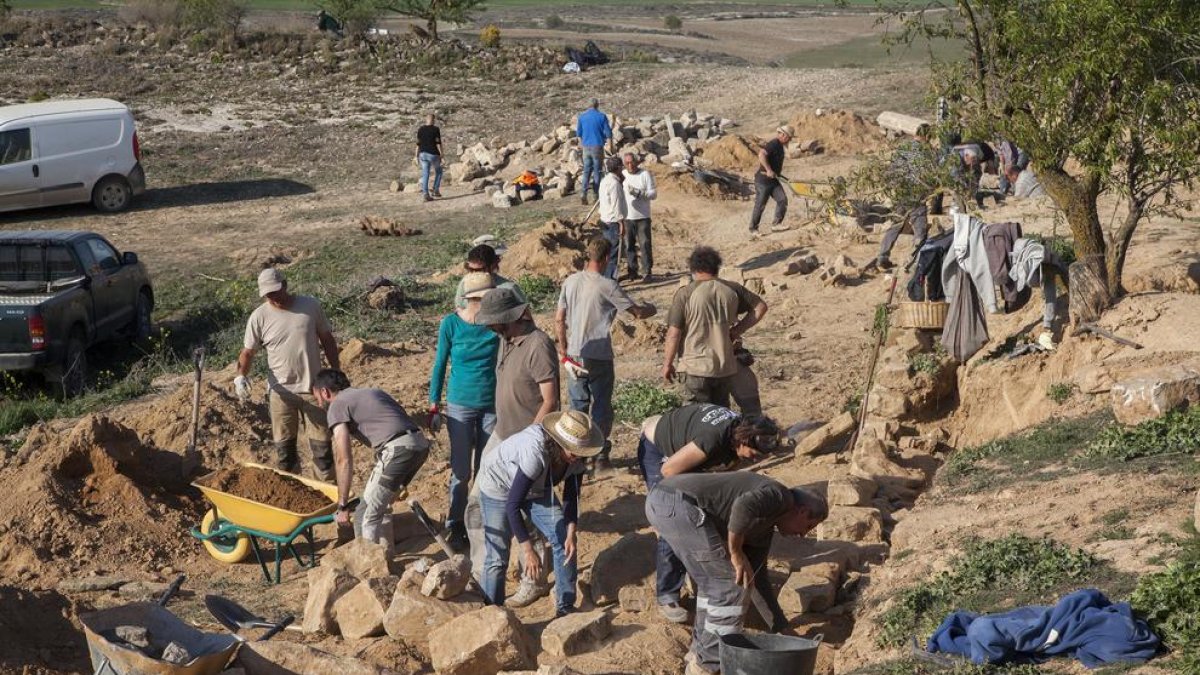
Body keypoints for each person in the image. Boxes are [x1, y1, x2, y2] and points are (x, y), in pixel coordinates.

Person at [645, 473, 827, 674]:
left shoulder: (763, 529)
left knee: (714, 585)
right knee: (731, 586)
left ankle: (698, 655)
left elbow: (756, 580)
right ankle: (707, 668)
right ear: (802, 511)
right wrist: (736, 551)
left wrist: (782, 629)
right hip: (677, 504)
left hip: (665, 502)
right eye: (808, 526)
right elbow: (744, 505)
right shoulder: (780, 497)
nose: (802, 535)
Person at [637, 404, 781, 623]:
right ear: (743, 441)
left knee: (702, 513)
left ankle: (696, 576)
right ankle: (667, 594)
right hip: (659, 449)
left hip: (690, 447)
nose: (755, 458)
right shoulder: (713, 438)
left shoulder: (739, 436)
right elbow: (669, 472)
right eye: (754, 453)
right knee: (674, 517)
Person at [465, 287, 560, 606]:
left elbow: (550, 400)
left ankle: (533, 580)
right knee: (479, 501)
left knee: (529, 508)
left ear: (511, 318)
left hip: (526, 440)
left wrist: (531, 439)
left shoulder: (539, 345)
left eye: (496, 322)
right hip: (502, 434)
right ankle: (486, 570)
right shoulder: (505, 341)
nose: (492, 327)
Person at [476, 410, 602, 618]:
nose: (576, 457)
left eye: (580, 452)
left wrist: (571, 532)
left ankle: (565, 607)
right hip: (498, 485)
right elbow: (513, 505)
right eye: (572, 451)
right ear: (558, 443)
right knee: (497, 558)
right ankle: (493, 616)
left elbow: (571, 498)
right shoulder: (534, 453)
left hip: (536, 486)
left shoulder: (576, 459)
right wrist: (528, 551)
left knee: (564, 539)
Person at [555, 237, 657, 472]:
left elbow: (559, 319)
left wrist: (564, 351)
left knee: (577, 405)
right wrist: (652, 307)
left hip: (574, 354)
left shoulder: (570, 282)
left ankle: (576, 456)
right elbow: (638, 314)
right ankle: (600, 456)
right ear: (606, 258)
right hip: (598, 354)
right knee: (601, 406)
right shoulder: (607, 285)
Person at [312, 369, 430, 555]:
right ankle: (386, 557)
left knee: (365, 515)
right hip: (419, 445)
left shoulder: (336, 405)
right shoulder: (373, 392)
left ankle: (369, 571)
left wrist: (342, 505)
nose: (320, 404)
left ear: (325, 392)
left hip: (397, 451)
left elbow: (344, 459)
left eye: (318, 398)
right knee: (379, 507)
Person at [236, 268, 339, 479]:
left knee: (323, 451)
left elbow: (327, 339)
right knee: (285, 453)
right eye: (268, 294)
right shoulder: (259, 317)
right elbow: (248, 352)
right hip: (280, 393)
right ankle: (295, 494)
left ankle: (328, 497)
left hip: (314, 389)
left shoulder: (310, 306)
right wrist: (240, 376)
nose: (273, 298)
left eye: (276, 291)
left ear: (285, 284)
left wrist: (335, 373)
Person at [428, 272, 500, 552]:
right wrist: (434, 404)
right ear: (474, 300)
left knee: (486, 468)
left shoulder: (496, 324)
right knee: (461, 471)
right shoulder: (451, 324)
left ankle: (479, 520)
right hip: (459, 405)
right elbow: (439, 365)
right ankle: (455, 522)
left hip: (491, 404)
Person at [662, 246, 768, 407]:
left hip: (694, 368)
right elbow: (760, 307)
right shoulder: (732, 289)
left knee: (696, 420)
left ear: (694, 268)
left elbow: (674, 334)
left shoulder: (685, 294)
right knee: (719, 418)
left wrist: (667, 364)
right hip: (724, 368)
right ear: (716, 267)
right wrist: (737, 330)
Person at [877, 138, 933, 270]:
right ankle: (916, 259)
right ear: (926, 136)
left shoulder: (904, 148)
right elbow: (930, 173)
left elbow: (891, 170)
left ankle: (882, 257)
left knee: (896, 225)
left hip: (901, 192)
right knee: (920, 228)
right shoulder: (926, 152)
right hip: (917, 193)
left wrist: (895, 187)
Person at [452, 238, 526, 310]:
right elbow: (459, 309)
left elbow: (524, 315)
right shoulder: (465, 283)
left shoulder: (509, 289)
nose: (474, 273)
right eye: (470, 269)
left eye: (480, 270)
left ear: (493, 265)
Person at [748, 125, 792, 235]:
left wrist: (776, 173)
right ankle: (753, 229)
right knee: (760, 205)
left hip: (773, 180)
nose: (790, 140)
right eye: (789, 137)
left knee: (782, 200)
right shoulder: (774, 143)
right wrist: (768, 169)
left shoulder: (780, 146)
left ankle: (776, 224)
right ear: (782, 135)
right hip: (763, 181)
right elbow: (761, 154)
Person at [621, 152, 657, 282]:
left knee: (645, 244)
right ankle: (632, 271)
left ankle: (647, 272)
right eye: (627, 163)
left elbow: (653, 194)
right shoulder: (623, 175)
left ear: (636, 162)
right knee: (629, 245)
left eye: (632, 162)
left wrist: (641, 194)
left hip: (643, 216)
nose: (630, 165)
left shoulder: (644, 174)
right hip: (628, 216)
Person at [577, 98, 613, 205]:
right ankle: (596, 195)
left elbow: (579, 134)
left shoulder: (582, 117)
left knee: (587, 171)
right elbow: (608, 133)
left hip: (586, 147)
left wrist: (581, 144)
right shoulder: (601, 116)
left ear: (588, 106)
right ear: (597, 105)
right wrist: (611, 145)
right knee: (597, 171)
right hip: (597, 146)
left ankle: (583, 193)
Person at [597, 157, 627, 280]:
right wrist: (621, 223)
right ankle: (609, 280)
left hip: (605, 220)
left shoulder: (605, 181)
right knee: (613, 254)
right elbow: (616, 204)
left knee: (607, 252)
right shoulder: (614, 184)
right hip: (613, 222)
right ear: (619, 168)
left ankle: (605, 277)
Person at [415, 113, 444, 202]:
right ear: (433, 120)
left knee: (425, 173)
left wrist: (415, 156)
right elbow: (438, 143)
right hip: (433, 154)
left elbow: (418, 144)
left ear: (426, 119)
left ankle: (425, 194)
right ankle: (435, 190)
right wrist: (442, 154)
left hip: (422, 154)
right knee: (439, 171)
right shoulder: (435, 129)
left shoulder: (420, 129)